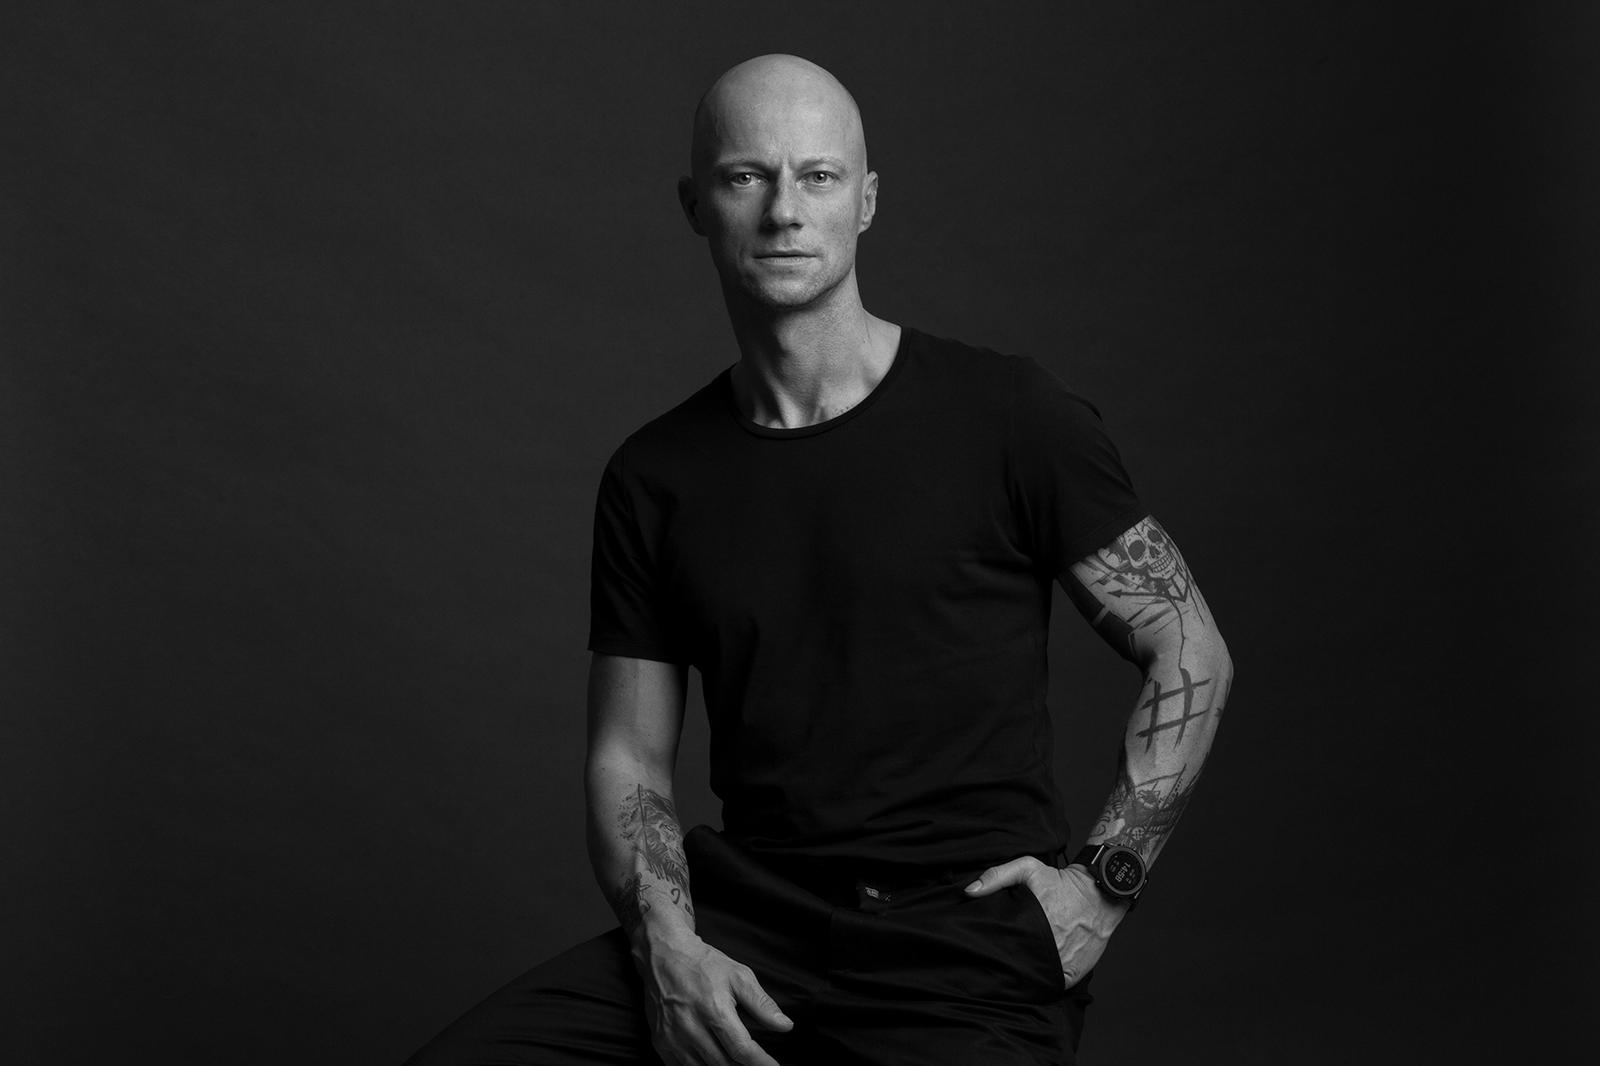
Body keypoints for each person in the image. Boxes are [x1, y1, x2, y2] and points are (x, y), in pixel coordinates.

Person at [405, 53, 1233, 1066]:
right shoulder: (654, 476)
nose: (784, 211)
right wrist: (668, 945)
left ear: (867, 201)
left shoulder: (1011, 417)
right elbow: (629, 757)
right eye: (747, 176)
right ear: (693, 203)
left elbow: (1189, 647)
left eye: (819, 176)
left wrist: (1100, 887)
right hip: (746, 934)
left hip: (961, 943)